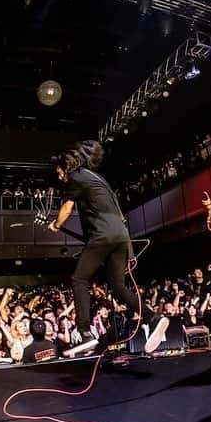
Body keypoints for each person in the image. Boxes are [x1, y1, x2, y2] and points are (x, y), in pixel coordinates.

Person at [47, 140, 156, 355]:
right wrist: (130, 251)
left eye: (58, 171)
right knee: (117, 284)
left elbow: (67, 208)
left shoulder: (76, 178)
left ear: (65, 166)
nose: (59, 176)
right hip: (120, 235)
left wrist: (56, 224)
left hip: (103, 234)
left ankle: (85, 331)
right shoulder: (98, 178)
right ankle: (152, 316)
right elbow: (119, 215)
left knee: (79, 279)